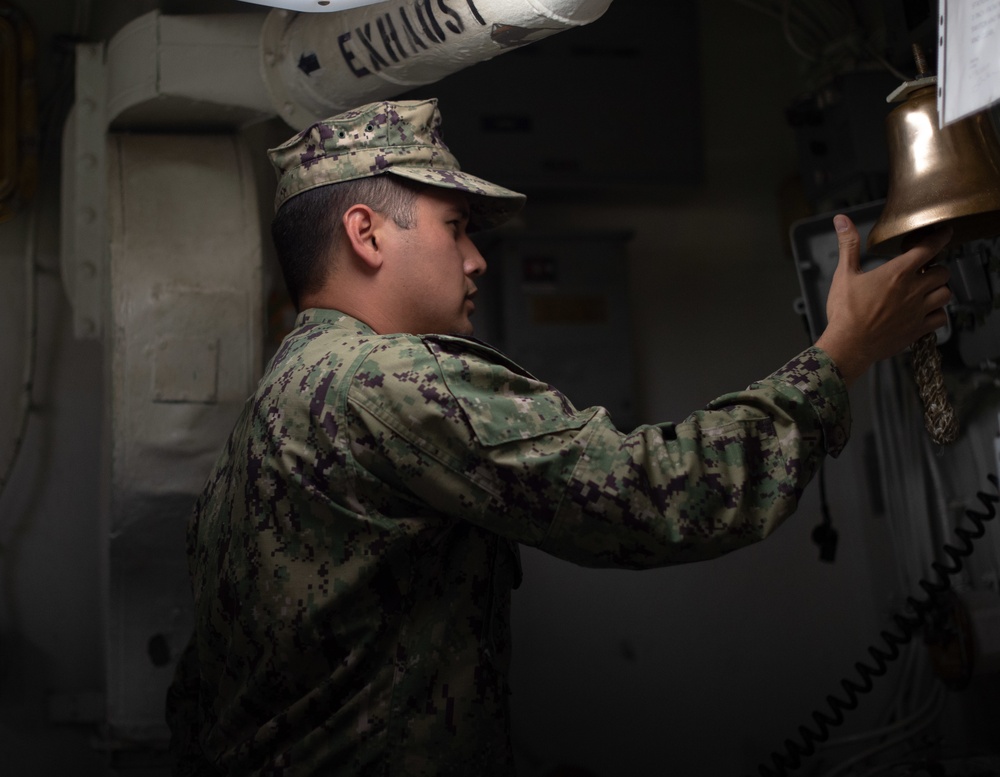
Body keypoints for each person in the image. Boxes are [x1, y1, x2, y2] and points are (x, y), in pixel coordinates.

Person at [165, 98, 952, 776]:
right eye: (456, 227)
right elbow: (656, 492)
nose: (476, 260)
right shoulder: (389, 381)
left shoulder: (274, 404)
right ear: (367, 233)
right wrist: (839, 355)